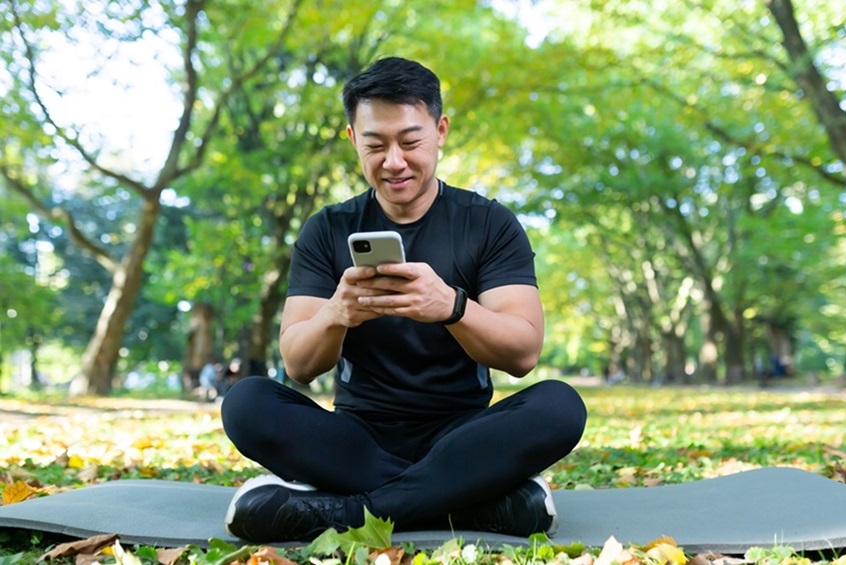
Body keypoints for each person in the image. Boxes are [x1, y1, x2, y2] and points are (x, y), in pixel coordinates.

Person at [220, 56, 587, 543]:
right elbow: (299, 365)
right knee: (245, 402)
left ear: (440, 131)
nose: (394, 161)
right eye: (375, 145)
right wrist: (336, 315)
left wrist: (453, 307)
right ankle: (473, 503)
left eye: (410, 142)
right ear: (354, 141)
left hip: (464, 437)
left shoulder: (489, 224)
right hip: (357, 439)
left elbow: (523, 354)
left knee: (561, 406)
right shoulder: (327, 229)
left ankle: (345, 514)